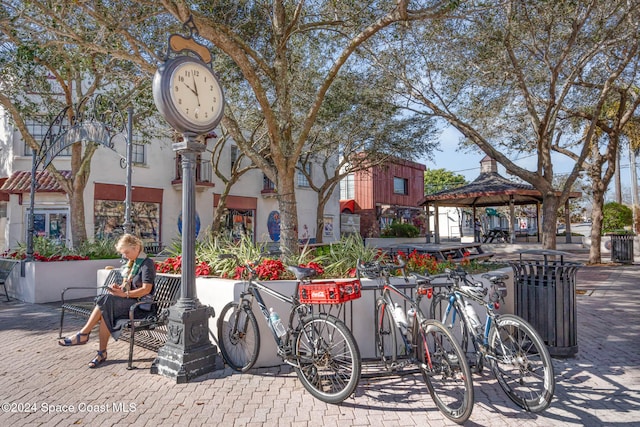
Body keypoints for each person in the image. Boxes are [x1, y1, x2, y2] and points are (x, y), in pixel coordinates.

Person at [58, 234, 156, 368]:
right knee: (105, 310)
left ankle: (84, 334)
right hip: (129, 302)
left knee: (105, 301)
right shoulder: (132, 264)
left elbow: (146, 289)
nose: (125, 256)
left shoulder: (146, 263)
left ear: (136, 247)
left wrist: (124, 293)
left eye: (127, 252)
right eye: (123, 253)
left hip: (140, 307)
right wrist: (118, 289)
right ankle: (101, 352)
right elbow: (127, 288)